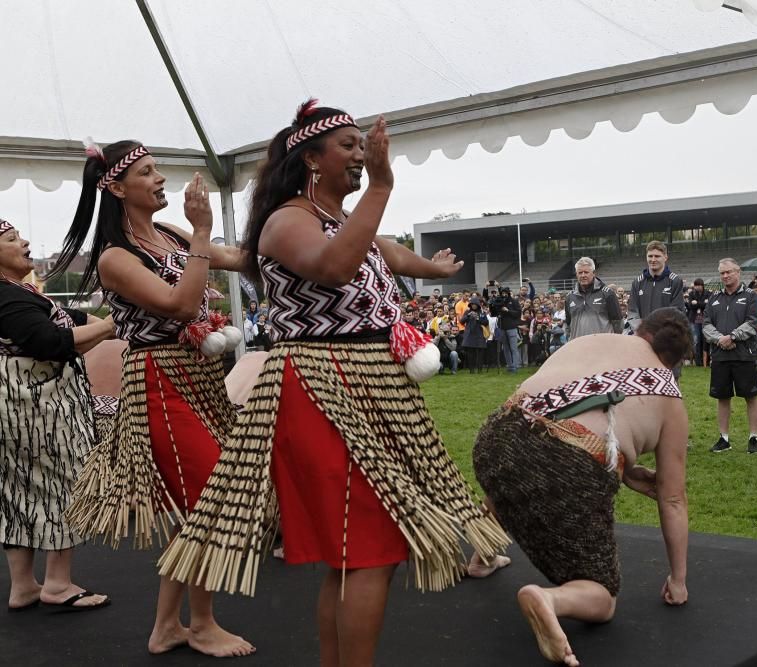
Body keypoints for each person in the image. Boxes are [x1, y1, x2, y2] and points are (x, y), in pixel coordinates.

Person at [156, 102, 507, 667]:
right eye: (347, 144)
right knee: (366, 552)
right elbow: (334, 267)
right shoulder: (286, 220)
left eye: (360, 145)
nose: (361, 154)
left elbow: (383, 251)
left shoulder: (345, 222)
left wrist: (433, 267)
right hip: (322, 386)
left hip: (368, 385)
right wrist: (384, 186)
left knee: (355, 556)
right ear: (311, 160)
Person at [52, 140, 253, 656]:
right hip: (159, 380)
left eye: (157, 168)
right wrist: (204, 232)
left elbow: (234, 259)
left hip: (200, 374)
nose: (160, 178)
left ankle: (168, 626)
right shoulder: (116, 258)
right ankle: (201, 624)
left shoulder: (169, 234)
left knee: (197, 506)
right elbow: (181, 302)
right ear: (117, 188)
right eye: (147, 172)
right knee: (212, 498)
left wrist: (293, 238)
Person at [472, 308, 691, 666]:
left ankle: (481, 556)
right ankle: (550, 600)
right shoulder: (670, 398)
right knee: (603, 598)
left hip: (497, 435)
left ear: (641, 332)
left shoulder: (591, 340)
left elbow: (547, 424)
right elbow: (671, 497)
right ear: (675, 361)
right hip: (568, 467)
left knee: (516, 468)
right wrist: (678, 581)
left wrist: (621, 465)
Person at [0, 219, 115, 613]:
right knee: (64, 485)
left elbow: (78, 323)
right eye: (12, 239)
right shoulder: (8, 298)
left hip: (19, 413)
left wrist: (117, 325)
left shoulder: (22, 295)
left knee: (18, 493)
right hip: (39, 413)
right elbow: (51, 341)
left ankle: (23, 587)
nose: (25, 241)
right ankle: (58, 583)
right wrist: (115, 324)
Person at [703, 258, 757, 454]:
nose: (725, 276)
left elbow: (753, 322)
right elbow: (706, 325)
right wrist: (721, 339)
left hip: (744, 354)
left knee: (751, 396)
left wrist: (733, 336)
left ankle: (753, 437)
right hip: (720, 355)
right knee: (722, 397)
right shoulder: (713, 298)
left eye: (729, 272)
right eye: (722, 273)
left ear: (738, 272)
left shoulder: (752, 296)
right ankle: (724, 438)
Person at [626, 241, 684, 332]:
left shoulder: (675, 281)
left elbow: (677, 312)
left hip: (664, 336)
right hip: (643, 336)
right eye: (650, 256)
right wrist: (642, 330)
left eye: (657, 256)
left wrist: (659, 330)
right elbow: (633, 312)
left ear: (665, 257)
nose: (653, 260)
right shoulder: (637, 282)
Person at [565, 257, 622, 339]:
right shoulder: (569, 297)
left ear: (594, 273)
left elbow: (618, 325)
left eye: (586, 272)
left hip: (601, 347)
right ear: (576, 274)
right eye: (580, 272)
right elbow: (568, 325)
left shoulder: (608, 294)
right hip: (578, 348)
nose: (583, 275)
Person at [460, 297, 489, 373]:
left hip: (479, 335)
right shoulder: (467, 312)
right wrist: (468, 315)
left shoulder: (481, 313)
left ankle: (480, 370)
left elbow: (486, 322)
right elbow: (461, 321)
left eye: (475, 304)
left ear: (478, 305)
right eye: (472, 304)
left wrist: (478, 318)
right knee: (470, 354)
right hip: (470, 335)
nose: (473, 306)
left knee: (480, 353)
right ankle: (471, 370)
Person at [685, 278, 709, 366]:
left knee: (705, 341)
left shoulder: (708, 293)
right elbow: (690, 306)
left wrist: (697, 303)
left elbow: (708, 306)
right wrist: (702, 303)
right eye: (696, 285)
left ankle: (705, 362)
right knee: (697, 341)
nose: (697, 287)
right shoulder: (691, 294)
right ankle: (698, 362)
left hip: (705, 321)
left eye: (699, 285)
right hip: (694, 321)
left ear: (702, 285)